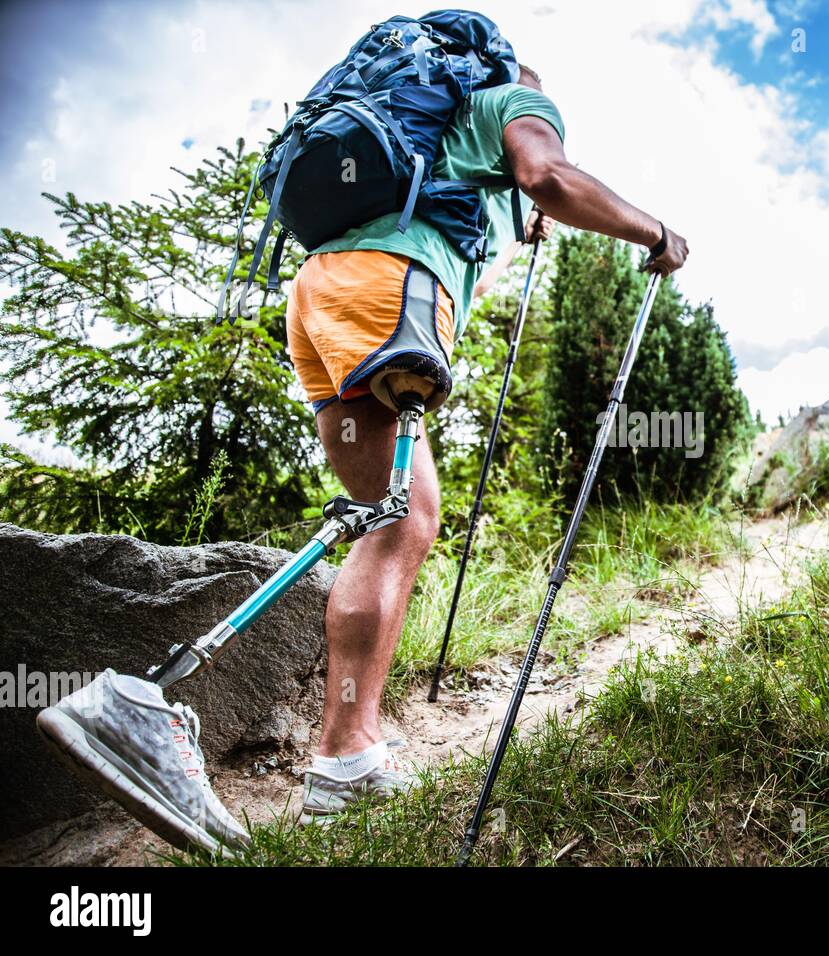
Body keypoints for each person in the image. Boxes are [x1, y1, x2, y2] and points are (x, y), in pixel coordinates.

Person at [36, 63, 689, 854]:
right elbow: (547, 174)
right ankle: (148, 696)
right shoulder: (512, 98)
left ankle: (347, 757)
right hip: (393, 292)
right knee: (400, 516)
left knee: (391, 515)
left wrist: (513, 215)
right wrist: (654, 231)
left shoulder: (418, 118)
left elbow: (504, 197)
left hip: (323, 293)